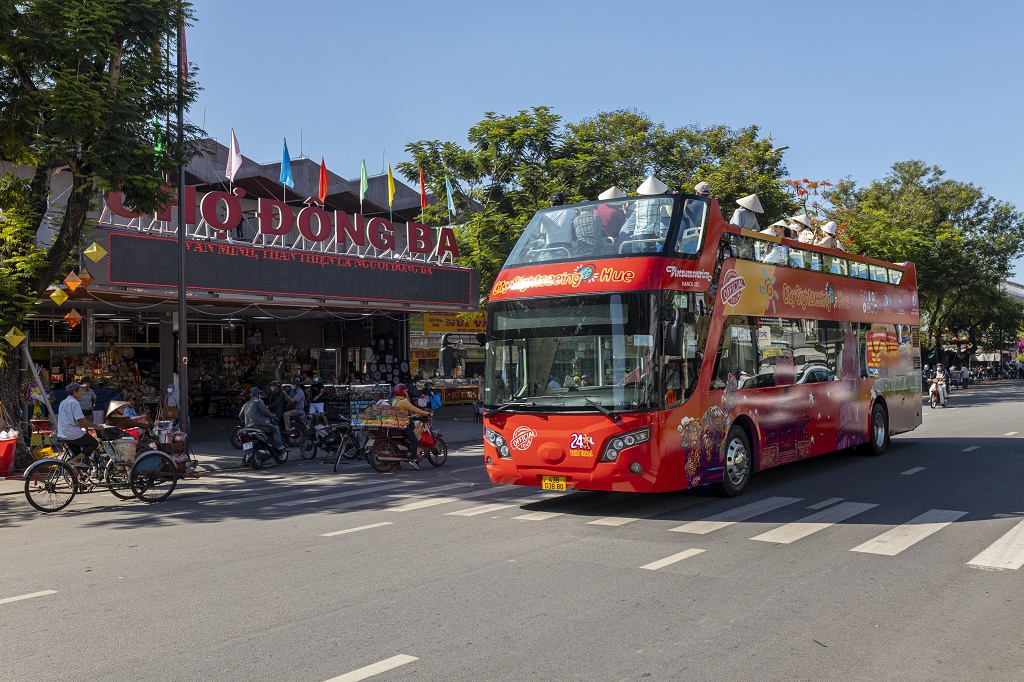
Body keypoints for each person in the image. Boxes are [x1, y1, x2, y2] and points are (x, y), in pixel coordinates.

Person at [57, 382, 102, 470]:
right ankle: (75, 460)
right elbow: (81, 421)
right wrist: (96, 426)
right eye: (80, 391)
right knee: (94, 443)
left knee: (78, 454)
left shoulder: (63, 402)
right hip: (71, 433)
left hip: (63, 432)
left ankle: (77, 477)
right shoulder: (74, 402)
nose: (81, 393)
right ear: (74, 392)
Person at [391, 383, 431, 470]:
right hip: (403, 425)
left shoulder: (395, 401)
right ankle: (414, 459)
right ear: (402, 392)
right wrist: (427, 413)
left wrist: (412, 416)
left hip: (397, 424)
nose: (406, 392)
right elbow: (415, 409)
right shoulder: (403, 402)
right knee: (414, 441)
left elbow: (404, 412)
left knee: (406, 440)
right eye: (405, 391)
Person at [240, 387, 286, 452]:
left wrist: (246, 421)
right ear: (257, 394)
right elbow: (264, 411)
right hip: (259, 425)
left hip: (248, 426)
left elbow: (240, 415)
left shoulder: (246, 404)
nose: (260, 395)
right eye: (259, 394)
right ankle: (280, 445)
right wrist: (272, 415)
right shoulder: (259, 401)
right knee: (275, 428)